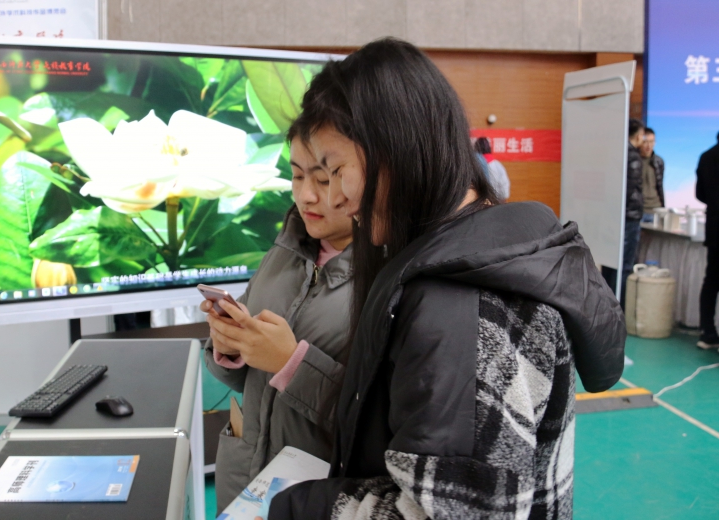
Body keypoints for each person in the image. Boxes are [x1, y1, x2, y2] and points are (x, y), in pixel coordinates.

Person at [265, 38, 626, 520]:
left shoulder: (458, 308)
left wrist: (300, 506)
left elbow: (461, 513)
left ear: (395, 149)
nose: (333, 200)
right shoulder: (496, 247)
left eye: (335, 170)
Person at [203, 132, 354, 510]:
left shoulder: (390, 279)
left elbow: (374, 424)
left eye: (323, 180)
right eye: (297, 176)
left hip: (312, 494)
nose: (305, 195)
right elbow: (244, 381)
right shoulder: (287, 246)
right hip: (244, 478)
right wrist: (229, 346)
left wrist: (291, 363)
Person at [696, 132, 719, 349]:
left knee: (711, 280)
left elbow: (700, 194)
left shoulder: (706, 156)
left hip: (714, 227)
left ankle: (707, 331)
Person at [620, 119, 646, 307]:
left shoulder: (619, 152)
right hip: (629, 217)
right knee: (626, 265)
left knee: (614, 265)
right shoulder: (633, 157)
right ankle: (620, 307)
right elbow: (629, 190)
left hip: (618, 216)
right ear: (637, 136)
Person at [639, 127, 665, 224]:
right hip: (639, 210)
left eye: (652, 141)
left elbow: (660, 186)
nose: (649, 145)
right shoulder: (633, 161)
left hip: (656, 209)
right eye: (645, 142)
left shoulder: (659, 161)